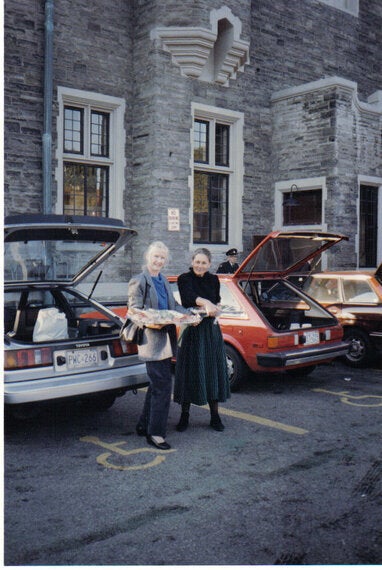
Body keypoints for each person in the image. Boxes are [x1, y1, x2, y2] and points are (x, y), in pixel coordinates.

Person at [127, 241, 189, 450]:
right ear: (148, 257)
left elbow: (174, 305)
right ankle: (155, 434)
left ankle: (144, 425)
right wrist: (151, 319)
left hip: (167, 338)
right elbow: (134, 311)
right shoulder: (139, 280)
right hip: (151, 340)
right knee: (163, 386)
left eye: (162, 258)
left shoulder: (163, 280)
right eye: (156, 257)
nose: (159, 261)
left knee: (156, 386)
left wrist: (189, 314)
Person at [174, 248, 230, 432]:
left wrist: (217, 307)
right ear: (192, 262)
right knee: (189, 371)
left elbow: (218, 300)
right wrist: (207, 303)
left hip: (210, 329)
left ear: (209, 264)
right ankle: (184, 416)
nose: (200, 265)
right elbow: (188, 298)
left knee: (212, 370)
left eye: (203, 263)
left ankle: (215, 416)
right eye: (197, 262)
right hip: (192, 329)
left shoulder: (214, 279)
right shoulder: (184, 279)